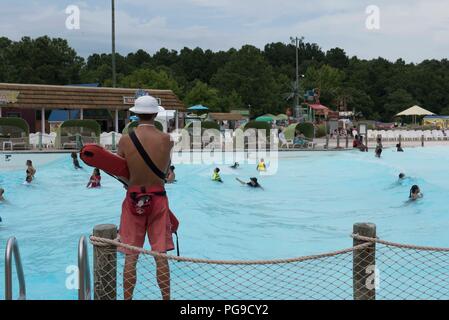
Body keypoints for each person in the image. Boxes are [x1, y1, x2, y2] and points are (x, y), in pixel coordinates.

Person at [117, 95, 179, 300]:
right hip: (158, 199)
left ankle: (127, 299)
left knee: (131, 256)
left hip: (133, 198)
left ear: (135, 114)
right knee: (160, 255)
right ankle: (166, 299)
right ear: (155, 113)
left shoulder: (125, 140)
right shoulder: (167, 140)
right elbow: (166, 173)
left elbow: (119, 171)